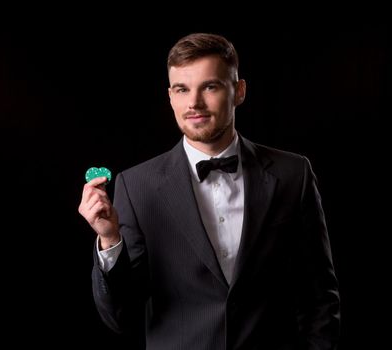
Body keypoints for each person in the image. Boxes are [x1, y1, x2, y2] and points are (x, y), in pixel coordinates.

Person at [78, 33, 340, 349]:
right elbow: (119, 317)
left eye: (210, 87)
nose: (194, 103)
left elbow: (319, 296)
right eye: (182, 89)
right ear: (170, 97)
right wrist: (109, 239)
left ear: (239, 91)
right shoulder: (136, 186)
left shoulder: (293, 174)